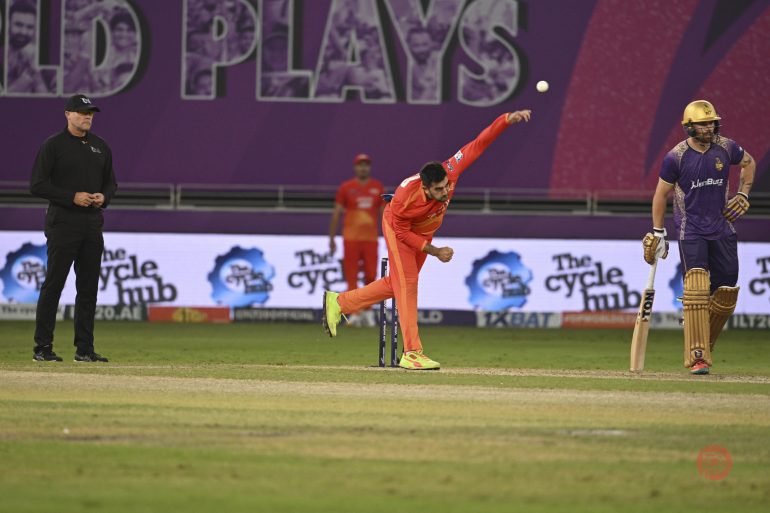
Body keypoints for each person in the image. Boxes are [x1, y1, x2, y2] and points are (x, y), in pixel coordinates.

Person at [323, 110, 532, 369]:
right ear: (424, 187)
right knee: (408, 283)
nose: (445, 192)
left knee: (396, 284)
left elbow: (477, 145)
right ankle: (412, 352)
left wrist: (505, 120)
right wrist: (434, 251)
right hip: (400, 229)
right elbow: (401, 233)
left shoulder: (450, 170)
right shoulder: (403, 199)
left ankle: (339, 302)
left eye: (446, 186)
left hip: (424, 231)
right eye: (438, 189)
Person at [646, 100, 755, 375]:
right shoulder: (677, 156)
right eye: (703, 124)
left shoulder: (726, 147)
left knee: (727, 292)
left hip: (722, 227)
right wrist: (659, 231)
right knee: (696, 288)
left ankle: (702, 335)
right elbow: (660, 195)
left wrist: (743, 193)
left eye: (711, 122)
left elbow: (748, 162)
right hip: (690, 230)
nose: (709, 128)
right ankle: (698, 356)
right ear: (689, 127)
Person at [29, 94, 118, 362]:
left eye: (90, 112)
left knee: (88, 287)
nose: (87, 116)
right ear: (68, 114)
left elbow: (111, 183)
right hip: (63, 222)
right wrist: (71, 197)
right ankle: (42, 348)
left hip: (92, 223)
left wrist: (104, 197)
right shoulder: (53, 146)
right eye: (81, 112)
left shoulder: (101, 146)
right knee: (54, 284)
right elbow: (37, 185)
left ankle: (85, 350)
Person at [328, 154, 384, 325]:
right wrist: (331, 238)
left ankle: (367, 311)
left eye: (366, 165)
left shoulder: (377, 187)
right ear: (355, 167)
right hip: (351, 239)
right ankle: (355, 312)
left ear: (369, 167)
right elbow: (337, 212)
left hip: (370, 239)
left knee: (370, 275)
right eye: (360, 165)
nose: (363, 168)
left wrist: (391, 234)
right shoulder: (346, 187)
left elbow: (384, 214)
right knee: (351, 276)